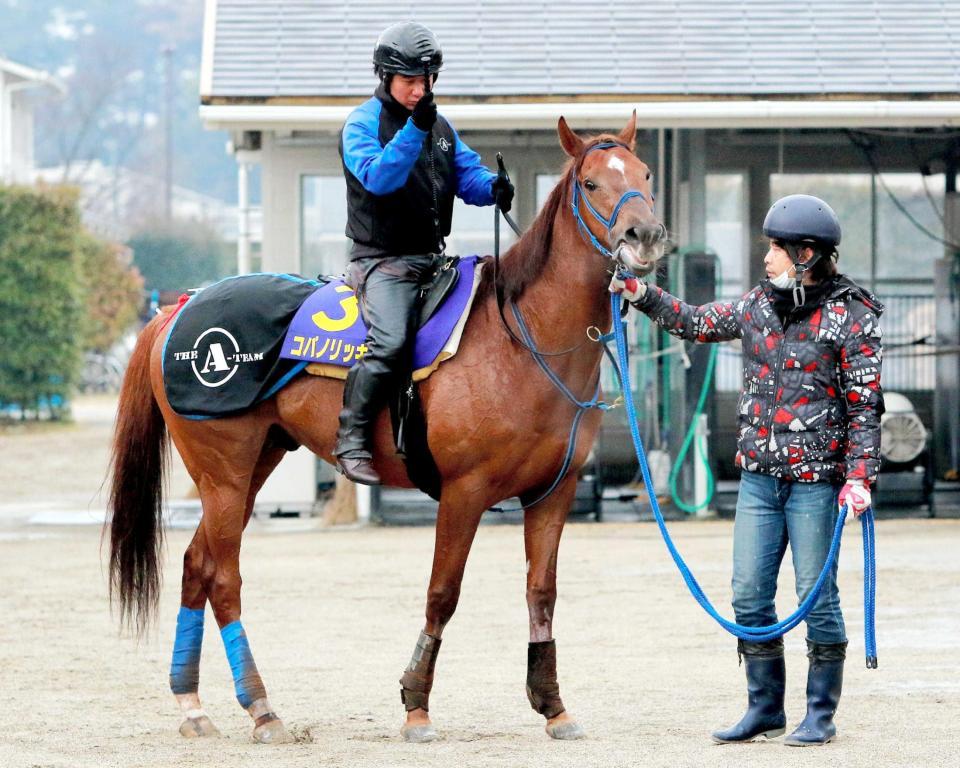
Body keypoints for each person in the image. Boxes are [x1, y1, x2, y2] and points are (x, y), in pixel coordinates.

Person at [610, 194, 883, 746]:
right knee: (750, 594)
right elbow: (695, 322)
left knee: (815, 595)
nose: (767, 257)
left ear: (807, 254)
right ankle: (765, 708)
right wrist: (640, 293)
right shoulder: (759, 305)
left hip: (816, 483)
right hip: (759, 479)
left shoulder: (851, 315)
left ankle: (820, 714)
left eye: (777, 249)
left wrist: (859, 477)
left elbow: (864, 404)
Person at [335, 21, 514, 484]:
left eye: (426, 80)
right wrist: (416, 128)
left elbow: (466, 176)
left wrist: (494, 188)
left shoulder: (440, 126)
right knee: (390, 343)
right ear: (385, 77)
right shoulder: (361, 124)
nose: (420, 90)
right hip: (380, 263)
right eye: (410, 81)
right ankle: (351, 440)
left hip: (432, 260)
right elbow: (379, 178)